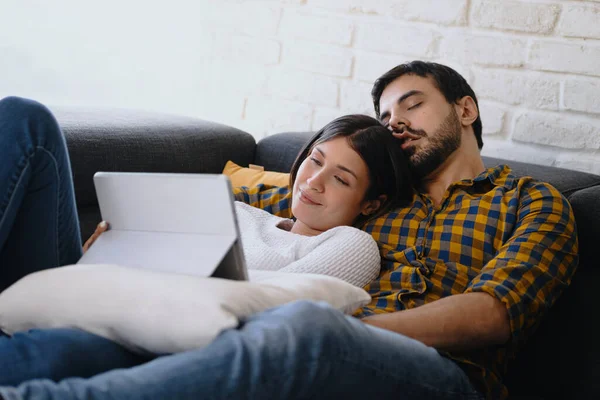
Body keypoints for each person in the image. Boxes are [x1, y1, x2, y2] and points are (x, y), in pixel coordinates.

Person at [0, 60, 578, 400]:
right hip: (297, 329)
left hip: (442, 376)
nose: (394, 122)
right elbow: (271, 191)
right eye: (384, 115)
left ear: (466, 111)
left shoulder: (532, 202)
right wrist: (136, 231)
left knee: (305, 327)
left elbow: (493, 314)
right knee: (27, 124)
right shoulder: (379, 196)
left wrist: (354, 326)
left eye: (412, 105)